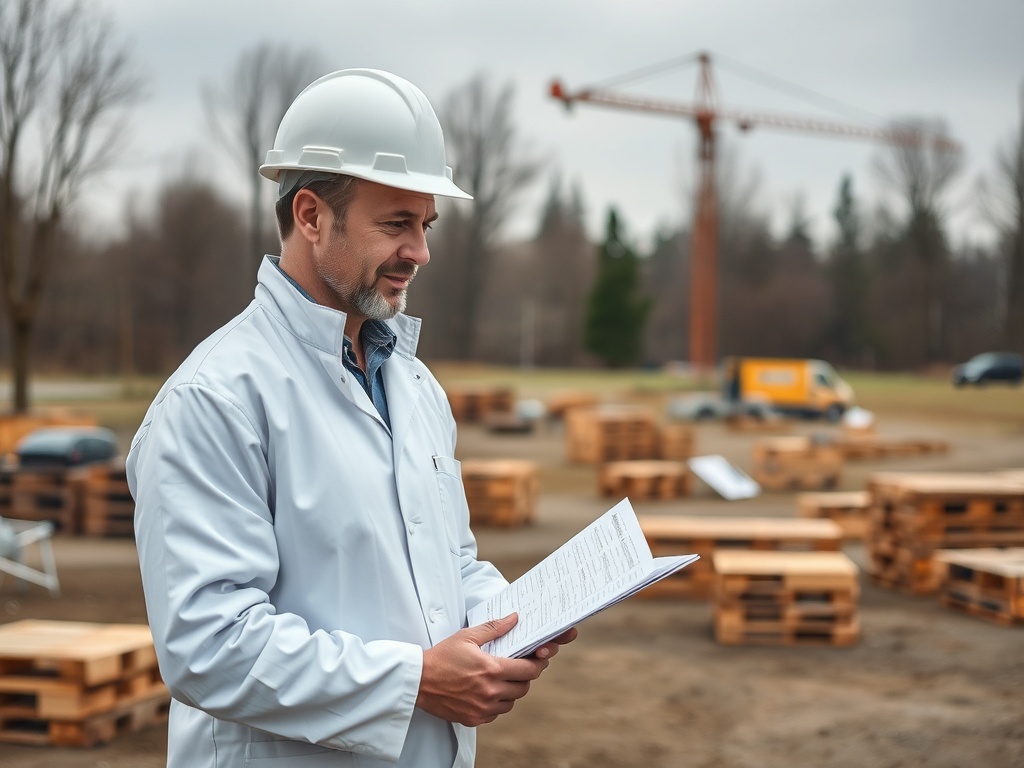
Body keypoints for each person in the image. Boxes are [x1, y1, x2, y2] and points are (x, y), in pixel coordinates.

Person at [127, 68, 575, 768]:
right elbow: (207, 646)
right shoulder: (216, 399)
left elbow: (450, 559)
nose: (420, 253)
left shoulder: (414, 386)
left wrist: (508, 625)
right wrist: (416, 681)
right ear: (310, 216)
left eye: (425, 225)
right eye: (396, 223)